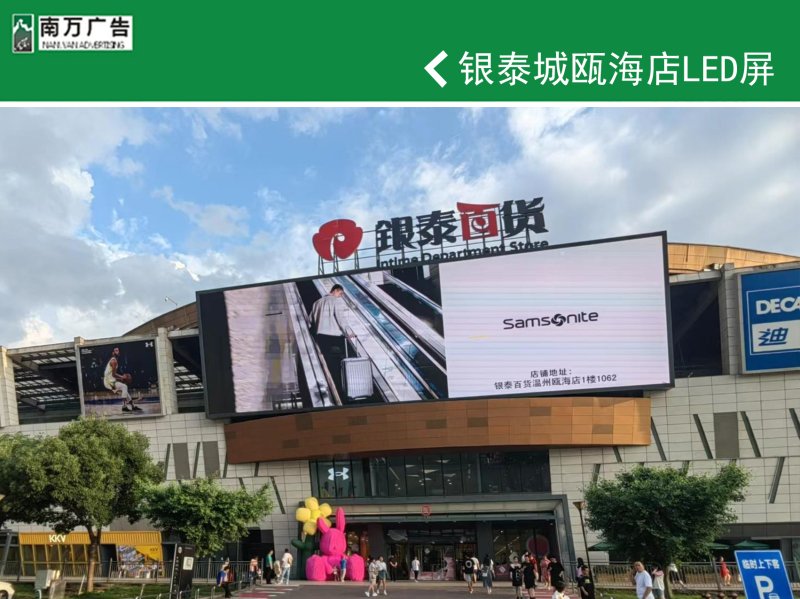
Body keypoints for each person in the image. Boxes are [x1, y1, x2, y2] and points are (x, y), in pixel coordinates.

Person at [310, 284, 352, 398]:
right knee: (339, 362)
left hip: (321, 337)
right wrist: (348, 333)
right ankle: (343, 389)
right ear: (335, 290)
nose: (340, 296)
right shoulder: (336, 301)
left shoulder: (316, 303)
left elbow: (310, 320)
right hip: (334, 336)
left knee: (328, 362)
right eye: (341, 293)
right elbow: (340, 318)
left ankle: (332, 385)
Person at [103, 346, 140, 412]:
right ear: (113, 353)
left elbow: (113, 374)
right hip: (108, 381)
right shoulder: (114, 361)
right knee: (124, 386)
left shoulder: (115, 360)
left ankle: (133, 406)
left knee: (125, 391)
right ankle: (124, 407)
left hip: (111, 380)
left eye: (118, 350)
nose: (117, 351)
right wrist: (122, 377)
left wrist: (121, 378)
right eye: (115, 350)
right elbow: (113, 375)